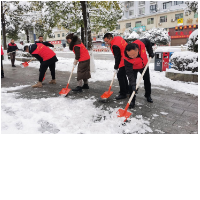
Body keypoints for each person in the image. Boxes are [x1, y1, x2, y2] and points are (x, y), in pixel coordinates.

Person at [123, 38, 155, 109]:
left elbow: (148, 41)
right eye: (130, 55)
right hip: (133, 68)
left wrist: (150, 52)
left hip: (144, 65)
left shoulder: (141, 43)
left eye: (133, 54)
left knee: (147, 80)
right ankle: (132, 100)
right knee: (131, 85)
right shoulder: (126, 58)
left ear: (137, 50)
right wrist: (133, 84)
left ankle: (148, 95)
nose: (132, 57)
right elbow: (129, 72)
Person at [103, 33, 129, 100]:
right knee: (123, 75)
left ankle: (123, 94)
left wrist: (116, 67)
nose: (106, 43)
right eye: (105, 41)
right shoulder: (117, 38)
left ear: (110, 38)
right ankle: (127, 90)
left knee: (120, 76)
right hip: (128, 58)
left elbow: (117, 57)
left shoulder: (115, 45)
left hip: (123, 60)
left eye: (107, 41)